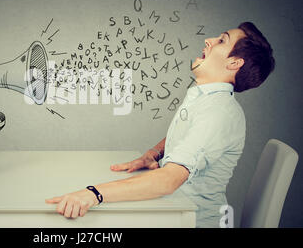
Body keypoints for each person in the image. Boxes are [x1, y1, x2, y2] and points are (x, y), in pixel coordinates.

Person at [46, 22, 276, 228]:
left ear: (234, 62)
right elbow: (191, 137)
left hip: (190, 221)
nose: (209, 40)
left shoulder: (219, 112)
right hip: (173, 211)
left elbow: (168, 181)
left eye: (221, 40)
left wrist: (92, 194)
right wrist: (154, 154)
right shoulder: (207, 99)